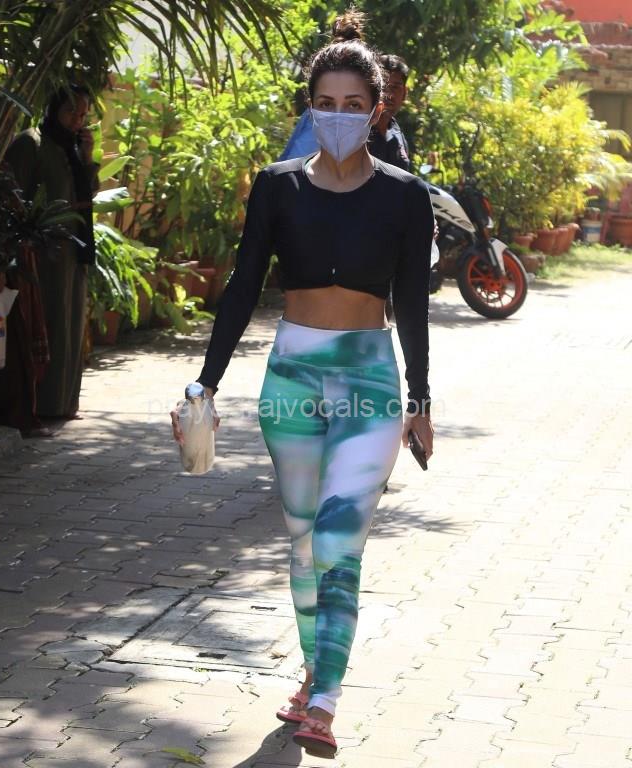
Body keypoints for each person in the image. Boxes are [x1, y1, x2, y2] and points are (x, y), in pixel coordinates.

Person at [171, 9, 435, 760]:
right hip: (291, 377)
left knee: (338, 541)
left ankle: (324, 699)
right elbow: (241, 285)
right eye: (326, 103)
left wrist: (420, 400)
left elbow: (412, 303)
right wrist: (204, 385)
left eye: (354, 104)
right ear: (310, 107)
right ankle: (315, 670)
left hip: (369, 380)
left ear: (377, 110)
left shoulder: (405, 195)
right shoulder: (277, 187)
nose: (339, 116)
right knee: (301, 541)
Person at [5, 84, 99, 420]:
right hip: (42, 256)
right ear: (53, 109)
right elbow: (12, 195)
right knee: (46, 325)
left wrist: (87, 157)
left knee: (69, 328)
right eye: (71, 112)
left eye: (83, 115)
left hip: (73, 252)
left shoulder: (72, 148)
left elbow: (87, 193)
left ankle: (63, 404)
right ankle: (40, 405)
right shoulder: (31, 143)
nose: (77, 121)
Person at [279, 52, 411, 171]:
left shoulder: (397, 136)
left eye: (395, 87)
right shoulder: (343, 129)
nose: (388, 94)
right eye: (384, 87)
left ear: (405, 93)